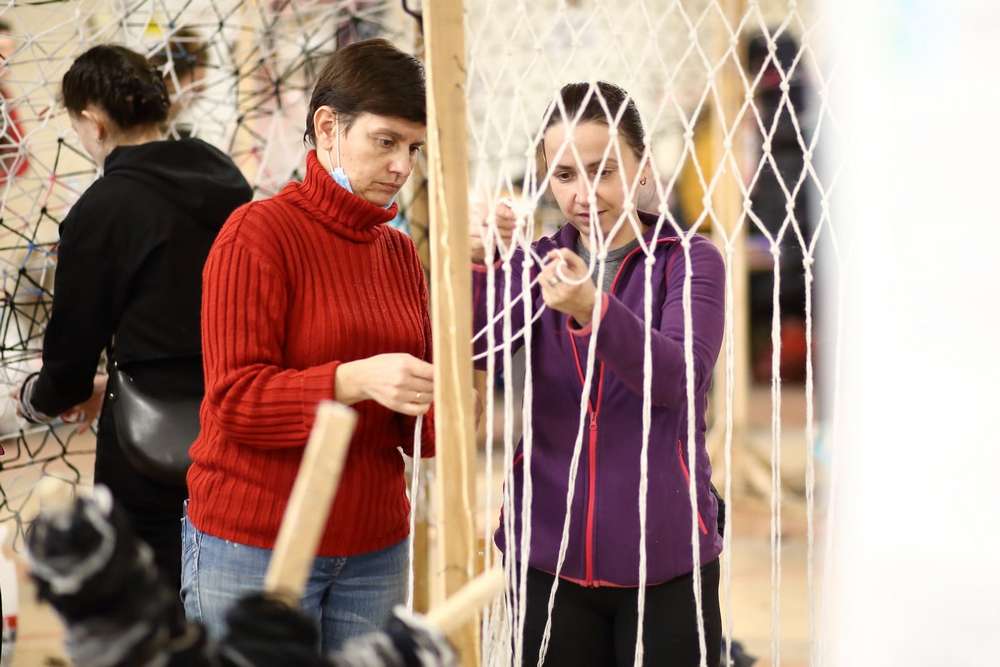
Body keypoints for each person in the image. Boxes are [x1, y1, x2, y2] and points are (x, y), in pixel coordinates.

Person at [181, 38, 434, 652]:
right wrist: (354, 379)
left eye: (414, 148)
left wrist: (449, 392)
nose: (402, 166)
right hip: (255, 543)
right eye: (386, 141)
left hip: (375, 547)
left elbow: (418, 430)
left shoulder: (400, 253)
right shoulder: (256, 234)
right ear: (327, 128)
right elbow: (236, 401)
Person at [470, 81, 726, 666]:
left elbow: (678, 379)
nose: (584, 194)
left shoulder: (689, 260)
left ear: (642, 166)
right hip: (546, 554)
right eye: (565, 175)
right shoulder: (535, 264)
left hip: (665, 557)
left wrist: (593, 309)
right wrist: (477, 262)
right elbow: (477, 349)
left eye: (603, 170)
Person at [14, 44, 252, 589]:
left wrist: (36, 398)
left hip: (152, 445)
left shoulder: (103, 209)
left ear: (94, 122)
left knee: (152, 593)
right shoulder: (223, 175)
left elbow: (71, 359)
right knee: (229, 583)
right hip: (238, 414)